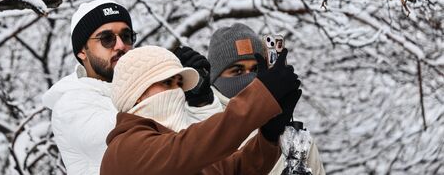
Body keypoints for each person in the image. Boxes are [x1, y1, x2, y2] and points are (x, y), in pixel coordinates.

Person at [41, 0, 221, 175]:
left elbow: (210, 145)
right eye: (107, 38)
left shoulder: (147, 91)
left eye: (126, 36)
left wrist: (201, 99)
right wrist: (165, 83)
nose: (120, 46)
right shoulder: (70, 105)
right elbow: (145, 139)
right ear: (82, 51)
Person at [100, 45, 302, 175]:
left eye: (180, 83)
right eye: (167, 82)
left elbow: (235, 170)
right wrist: (261, 95)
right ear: (137, 93)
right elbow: (194, 144)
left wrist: (268, 134)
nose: (177, 92)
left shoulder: (176, 152)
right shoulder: (125, 150)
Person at [208, 23, 326, 175]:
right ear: (216, 78)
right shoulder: (204, 128)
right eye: (238, 71)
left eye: (256, 69)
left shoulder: (293, 135)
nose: (249, 78)